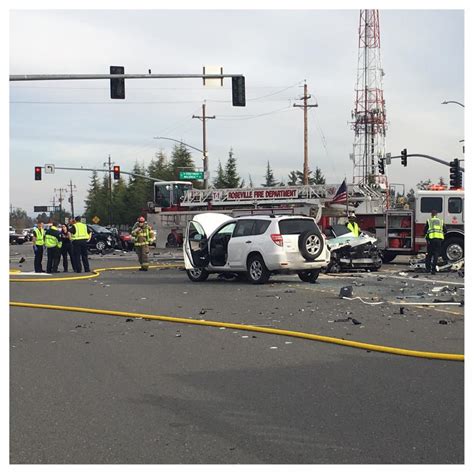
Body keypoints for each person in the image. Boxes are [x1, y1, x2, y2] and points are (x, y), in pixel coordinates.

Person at [424, 210, 446, 275]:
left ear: (431, 214)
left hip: (431, 240)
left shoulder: (429, 221)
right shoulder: (440, 221)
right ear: (437, 215)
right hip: (439, 240)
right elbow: (445, 230)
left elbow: (425, 230)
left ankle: (428, 269)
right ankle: (433, 270)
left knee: (429, 255)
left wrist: (426, 236)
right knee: (436, 255)